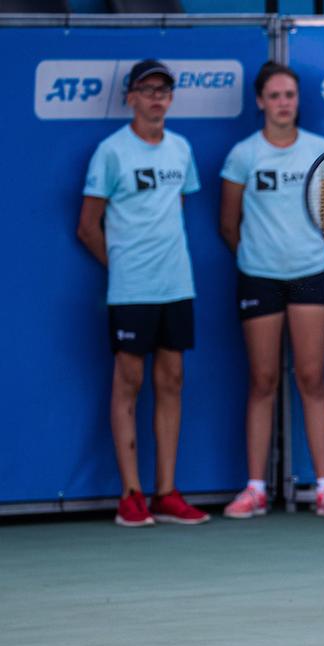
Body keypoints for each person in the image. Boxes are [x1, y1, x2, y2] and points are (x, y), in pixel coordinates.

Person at [77, 59, 210, 527]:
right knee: (127, 384)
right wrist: (127, 269)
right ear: (130, 97)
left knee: (171, 380)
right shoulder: (111, 152)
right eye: (147, 89)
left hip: (177, 285)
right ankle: (130, 494)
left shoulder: (181, 150)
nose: (156, 97)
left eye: (164, 90)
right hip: (131, 290)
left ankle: (166, 493)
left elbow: (174, 209)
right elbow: (88, 227)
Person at [219, 62, 324, 521]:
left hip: (308, 274)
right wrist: (259, 257)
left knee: (312, 379)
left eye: (289, 95)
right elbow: (227, 224)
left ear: (297, 100)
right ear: (260, 101)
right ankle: (255, 489)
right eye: (274, 95)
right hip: (257, 276)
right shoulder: (243, 155)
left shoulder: (321, 152)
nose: (282, 103)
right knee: (262, 381)